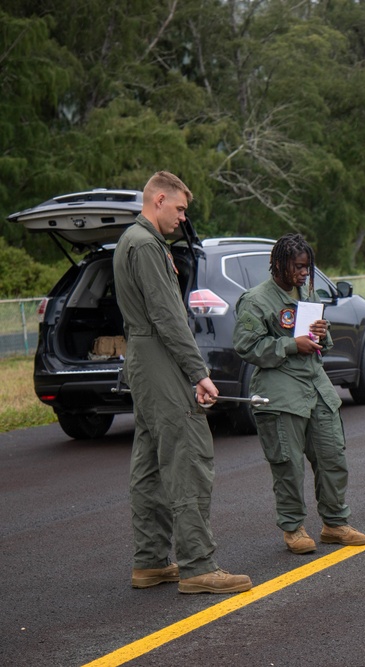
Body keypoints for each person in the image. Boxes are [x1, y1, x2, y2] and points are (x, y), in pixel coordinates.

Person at [113, 171, 251, 594]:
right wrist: (199, 373)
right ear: (158, 199)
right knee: (188, 456)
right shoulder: (145, 245)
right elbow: (168, 317)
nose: (182, 217)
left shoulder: (131, 242)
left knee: (151, 462)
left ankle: (151, 561)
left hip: (142, 356)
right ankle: (198, 565)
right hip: (158, 355)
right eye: (179, 208)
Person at [233, 233, 365, 555]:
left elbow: (320, 341)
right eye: (298, 266)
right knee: (288, 465)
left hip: (315, 386)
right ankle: (293, 529)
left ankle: (335, 524)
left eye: (307, 267)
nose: (305, 273)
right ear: (277, 264)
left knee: (332, 455)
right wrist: (292, 344)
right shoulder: (255, 300)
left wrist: (321, 333)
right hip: (280, 391)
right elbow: (246, 346)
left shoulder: (307, 293)